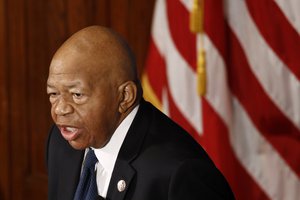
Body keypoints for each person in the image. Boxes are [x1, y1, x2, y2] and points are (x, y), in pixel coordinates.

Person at [46, 25, 235, 200]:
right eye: (53, 94)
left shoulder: (181, 173)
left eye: (77, 95)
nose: (60, 109)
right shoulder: (61, 143)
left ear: (125, 96)